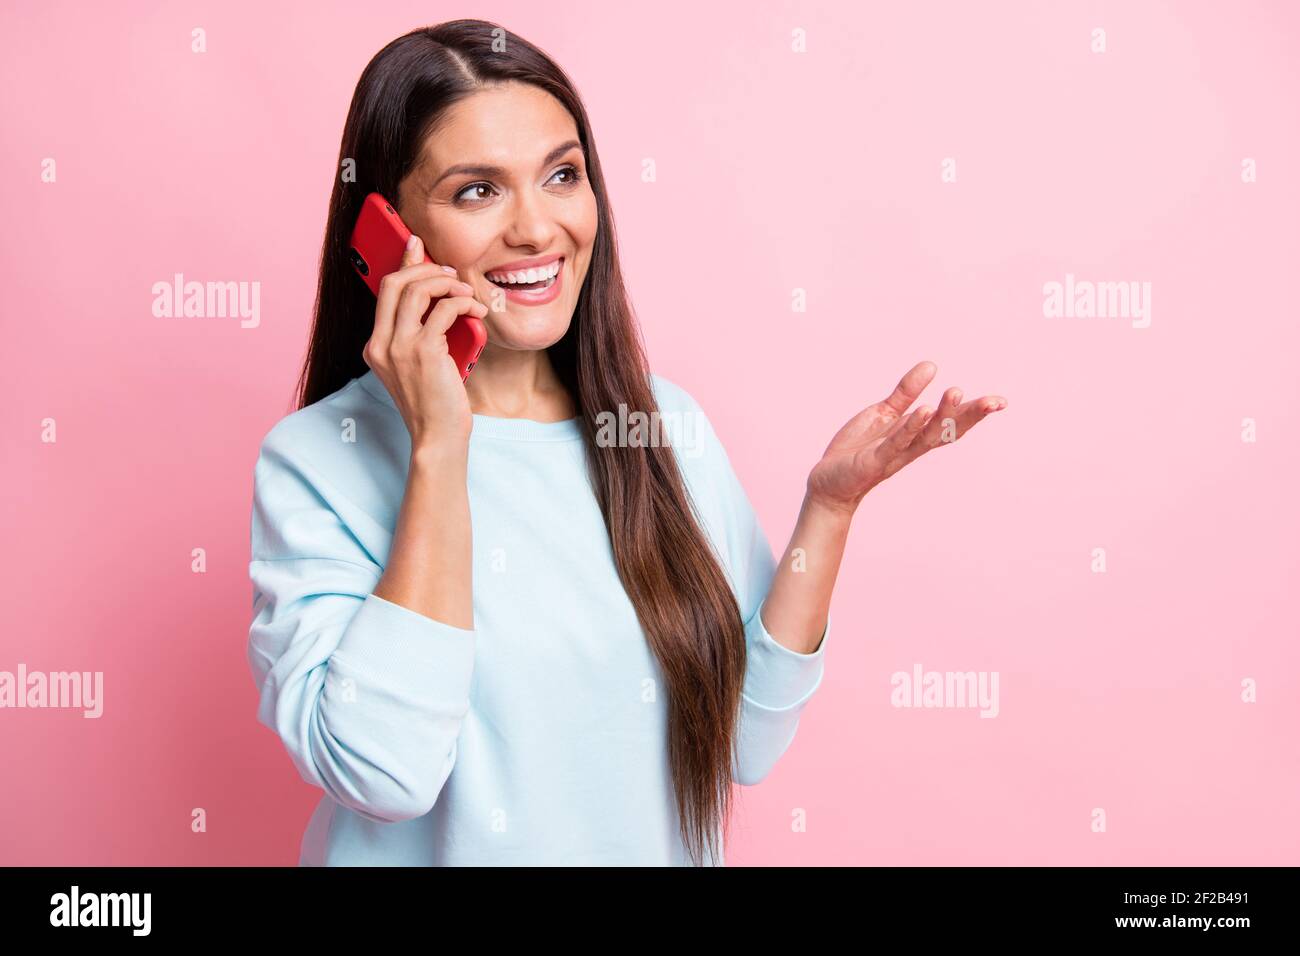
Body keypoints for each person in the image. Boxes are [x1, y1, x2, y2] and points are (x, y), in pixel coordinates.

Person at [247, 19, 1006, 866]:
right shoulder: (318, 461)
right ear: (388, 230)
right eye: (477, 191)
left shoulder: (658, 428)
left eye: (561, 176)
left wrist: (828, 510)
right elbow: (385, 773)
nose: (537, 230)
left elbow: (744, 740)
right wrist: (438, 447)